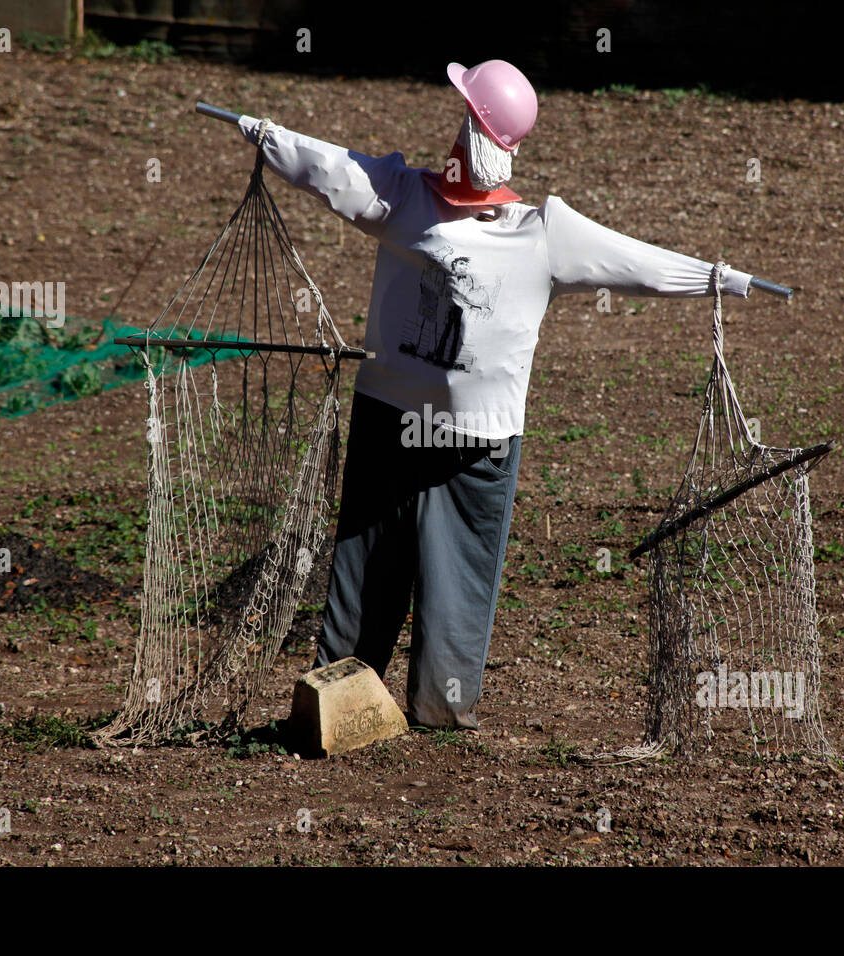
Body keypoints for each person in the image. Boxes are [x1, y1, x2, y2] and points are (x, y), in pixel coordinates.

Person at [231, 59, 755, 729]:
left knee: (393, 563)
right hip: (414, 425)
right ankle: (375, 705)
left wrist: (718, 279)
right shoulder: (414, 199)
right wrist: (269, 138)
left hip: (439, 432)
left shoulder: (506, 224)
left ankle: (399, 703)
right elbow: (330, 167)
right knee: (394, 563)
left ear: (469, 132)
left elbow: (638, 264)